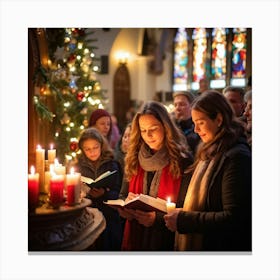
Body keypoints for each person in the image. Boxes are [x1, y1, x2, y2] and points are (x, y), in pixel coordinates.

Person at [164, 90, 252, 251]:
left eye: (201, 122)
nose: (196, 129)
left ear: (218, 119)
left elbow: (234, 218)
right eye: (194, 122)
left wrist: (184, 219)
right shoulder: (210, 151)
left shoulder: (236, 156)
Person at [118, 101, 193, 251]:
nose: (148, 135)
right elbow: (123, 194)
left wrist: (156, 219)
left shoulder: (182, 160)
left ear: (165, 127)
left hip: (166, 236)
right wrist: (123, 206)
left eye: (153, 129)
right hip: (136, 233)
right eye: (143, 130)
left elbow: (187, 207)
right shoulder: (134, 157)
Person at [76, 127, 123, 250]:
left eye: (95, 147)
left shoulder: (112, 164)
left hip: (109, 213)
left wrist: (104, 192)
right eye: (87, 149)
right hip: (87, 214)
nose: (92, 152)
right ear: (82, 150)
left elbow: (119, 192)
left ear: (101, 145)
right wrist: (86, 192)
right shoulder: (78, 166)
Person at [172, 91, 200, 156]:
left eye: (182, 104)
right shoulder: (170, 127)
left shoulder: (199, 127)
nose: (177, 108)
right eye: (175, 105)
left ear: (192, 106)